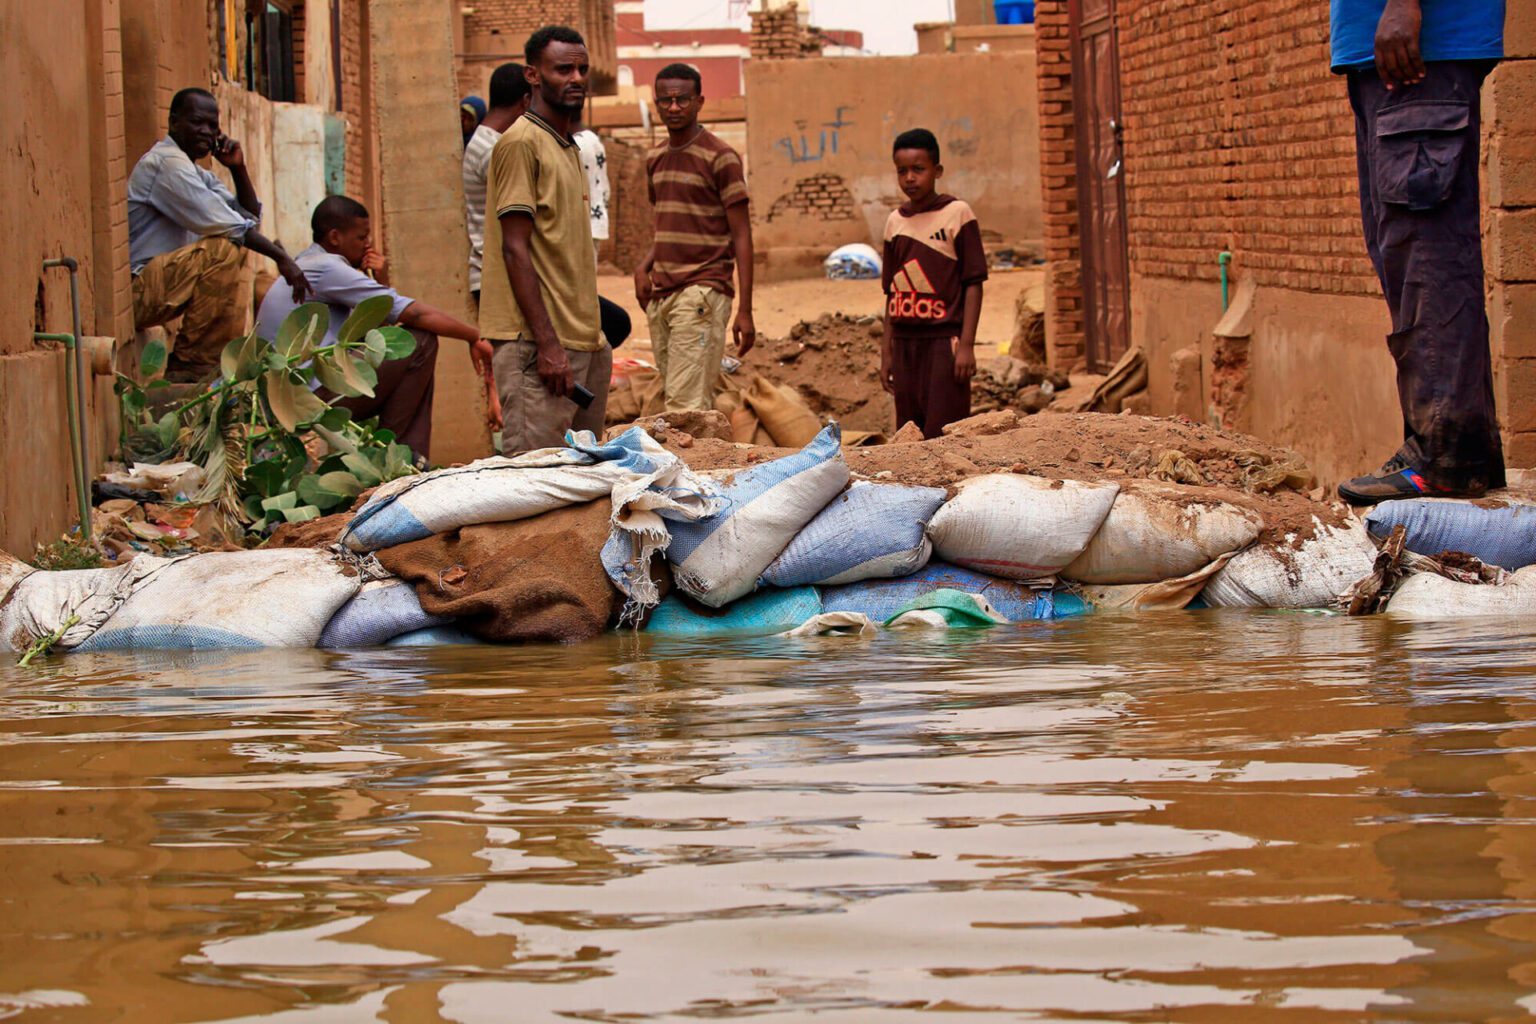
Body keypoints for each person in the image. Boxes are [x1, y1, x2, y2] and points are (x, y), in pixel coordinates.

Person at [1332, 0, 1507, 503]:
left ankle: (1445, 457)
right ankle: (1457, 450)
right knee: (1407, 255)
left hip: (1415, 52)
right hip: (1386, 56)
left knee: (1428, 257)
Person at [255, 196, 494, 463]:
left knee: (403, 346)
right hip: (308, 399)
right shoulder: (328, 268)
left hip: (289, 397)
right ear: (335, 237)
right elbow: (414, 313)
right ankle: (400, 458)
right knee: (421, 341)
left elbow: (380, 336)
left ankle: (405, 457)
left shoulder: (307, 263)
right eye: (361, 237)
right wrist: (474, 336)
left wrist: (381, 279)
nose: (368, 244)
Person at [481, 25, 608, 454]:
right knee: (535, 475)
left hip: (583, 341)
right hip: (539, 347)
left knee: (584, 474)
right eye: (563, 69)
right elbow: (514, 248)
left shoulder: (567, 146)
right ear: (533, 75)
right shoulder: (521, 144)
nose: (576, 78)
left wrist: (595, 339)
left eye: (582, 70)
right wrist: (548, 344)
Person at [128, 87, 309, 381]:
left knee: (236, 248)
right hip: (136, 292)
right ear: (174, 122)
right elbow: (234, 228)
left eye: (212, 125)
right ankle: (190, 364)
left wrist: (238, 168)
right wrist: (283, 259)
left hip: (159, 291)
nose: (206, 131)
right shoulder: (167, 164)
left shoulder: (195, 171)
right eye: (197, 122)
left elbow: (247, 220)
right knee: (222, 250)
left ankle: (210, 362)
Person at [634, 62, 755, 412]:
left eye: (682, 100)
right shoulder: (655, 158)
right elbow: (670, 222)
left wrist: (745, 310)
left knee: (683, 407)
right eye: (665, 101)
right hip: (662, 294)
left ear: (699, 102)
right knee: (684, 399)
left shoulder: (721, 157)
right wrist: (643, 267)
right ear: (656, 104)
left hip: (703, 290)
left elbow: (742, 235)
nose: (673, 108)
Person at [878, 128, 987, 439]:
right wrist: (886, 351)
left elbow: (974, 283)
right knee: (909, 432)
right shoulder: (895, 222)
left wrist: (966, 345)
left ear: (937, 171)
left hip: (943, 342)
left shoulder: (957, 214)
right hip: (905, 343)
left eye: (918, 169)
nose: (910, 178)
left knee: (944, 430)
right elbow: (892, 292)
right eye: (902, 171)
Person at [464, 64, 532, 305]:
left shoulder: (485, 141)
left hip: (495, 272)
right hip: (499, 275)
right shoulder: (495, 151)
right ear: (526, 101)